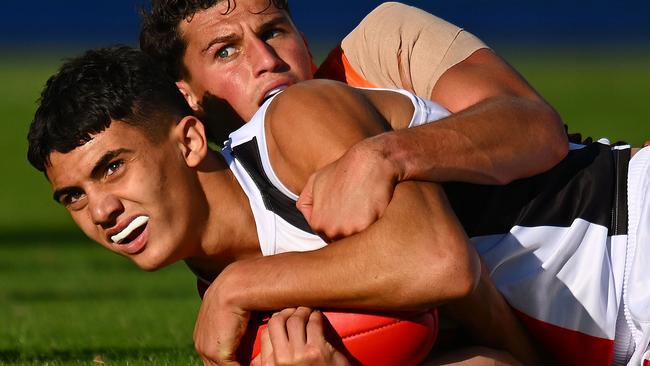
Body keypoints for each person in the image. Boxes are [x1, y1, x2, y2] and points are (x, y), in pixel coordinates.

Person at [28, 46, 650, 366]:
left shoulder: (289, 126)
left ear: (190, 139)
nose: (102, 210)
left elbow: (438, 262)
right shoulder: (242, 310)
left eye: (113, 167)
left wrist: (243, 285)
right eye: (74, 197)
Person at [139, 0, 569, 239]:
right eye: (226, 51)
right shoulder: (240, 221)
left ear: (304, 44)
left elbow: (535, 126)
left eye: (272, 32)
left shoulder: (378, 46)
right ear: (187, 95)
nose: (267, 60)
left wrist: (385, 154)